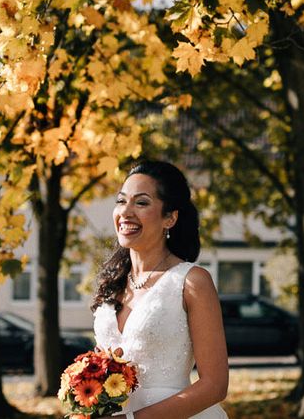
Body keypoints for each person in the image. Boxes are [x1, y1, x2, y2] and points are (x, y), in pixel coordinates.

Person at [91, 160, 229, 419]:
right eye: (121, 201)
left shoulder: (191, 282)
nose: (126, 212)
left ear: (170, 218)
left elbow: (215, 386)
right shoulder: (111, 285)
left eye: (141, 203)